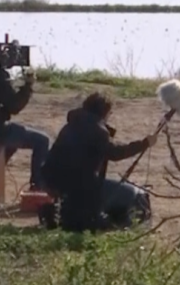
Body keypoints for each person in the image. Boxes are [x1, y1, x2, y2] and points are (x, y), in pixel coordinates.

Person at [41, 92, 157, 232]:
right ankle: (135, 231)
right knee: (137, 194)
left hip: (56, 181)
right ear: (105, 112)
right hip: (81, 187)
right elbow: (116, 153)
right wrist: (144, 144)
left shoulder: (71, 125)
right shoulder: (98, 131)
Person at [0, 35, 47, 191]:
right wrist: (27, 86)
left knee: (13, 140)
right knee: (42, 141)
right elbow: (14, 106)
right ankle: (37, 184)